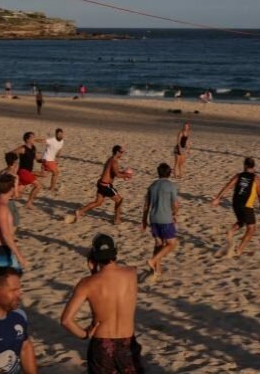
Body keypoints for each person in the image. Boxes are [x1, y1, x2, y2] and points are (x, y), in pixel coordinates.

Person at [60, 234, 143, 374]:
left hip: (102, 346)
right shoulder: (131, 273)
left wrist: (85, 334)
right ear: (114, 252)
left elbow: (66, 321)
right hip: (127, 344)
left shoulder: (87, 283)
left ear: (93, 257)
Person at [211, 157, 260, 257]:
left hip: (235, 203)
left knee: (241, 221)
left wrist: (218, 198)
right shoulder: (256, 179)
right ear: (253, 166)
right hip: (247, 205)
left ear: (245, 166)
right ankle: (239, 250)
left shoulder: (238, 176)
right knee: (251, 228)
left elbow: (228, 186)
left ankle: (231, 231)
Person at [74, 145, 132, 224]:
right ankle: (117, 220)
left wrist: (124, 174)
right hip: (106, 186)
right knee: (119, 200)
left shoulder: (111, 159)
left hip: (101, 184)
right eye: (121, 152)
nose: (122, 154)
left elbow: (115, 172)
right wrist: (126, 175)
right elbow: (117, 175)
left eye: (123, 152)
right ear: (117, 152)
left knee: (98, 202)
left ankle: (80, 211)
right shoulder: (114, 161)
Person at [142, 163, 179, 280]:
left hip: (153, 218)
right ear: (169, 173)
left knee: (158, 244)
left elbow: (146, 205)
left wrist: (143, 220)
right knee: (171, 244)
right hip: (165, 219)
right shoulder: (171, 186)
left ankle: (156, 270)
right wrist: (174, 214)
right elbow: (176, 204)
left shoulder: (152, 186)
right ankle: (153, 261)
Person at [0, 152, 22, 230]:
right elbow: (16, 195)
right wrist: (17, 195)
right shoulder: (14, 176)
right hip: (9, 201)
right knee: (15, 222)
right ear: (14, 163)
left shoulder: (2, 172)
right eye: (17, 162)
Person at [12, 132, 43, 209]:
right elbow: (11, 153)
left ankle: (0, 200)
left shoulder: (33, 148)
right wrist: (14, 163)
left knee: (16, 195)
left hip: (27, 172)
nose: (34, 139)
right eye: (32, 137)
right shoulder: (23, 149)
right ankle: (29, 203)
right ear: (27, 139)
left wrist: (43, 161)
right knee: (38, 186)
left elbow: (37, 159)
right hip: (23, 172)